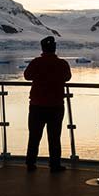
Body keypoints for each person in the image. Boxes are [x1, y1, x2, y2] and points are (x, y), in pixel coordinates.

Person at [24, 36, 72, 172]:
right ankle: (54, 164)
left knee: (34, 135)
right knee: (54, 137)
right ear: (54, 48)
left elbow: (27, 76)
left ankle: (30, 163)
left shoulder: (36, 63)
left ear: (42, 48)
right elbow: (68, 77)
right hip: (56, 105)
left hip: (37, 105)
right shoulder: (62, 64)